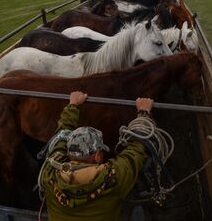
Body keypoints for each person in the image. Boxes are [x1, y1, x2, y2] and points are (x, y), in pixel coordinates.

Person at [40, 91, 153, 221]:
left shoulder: (49, 173)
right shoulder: (114, 179)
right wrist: (144, 113)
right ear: (98, 156)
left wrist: (73, 106)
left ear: (69, 153)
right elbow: (136, 150)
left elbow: (62, 134)